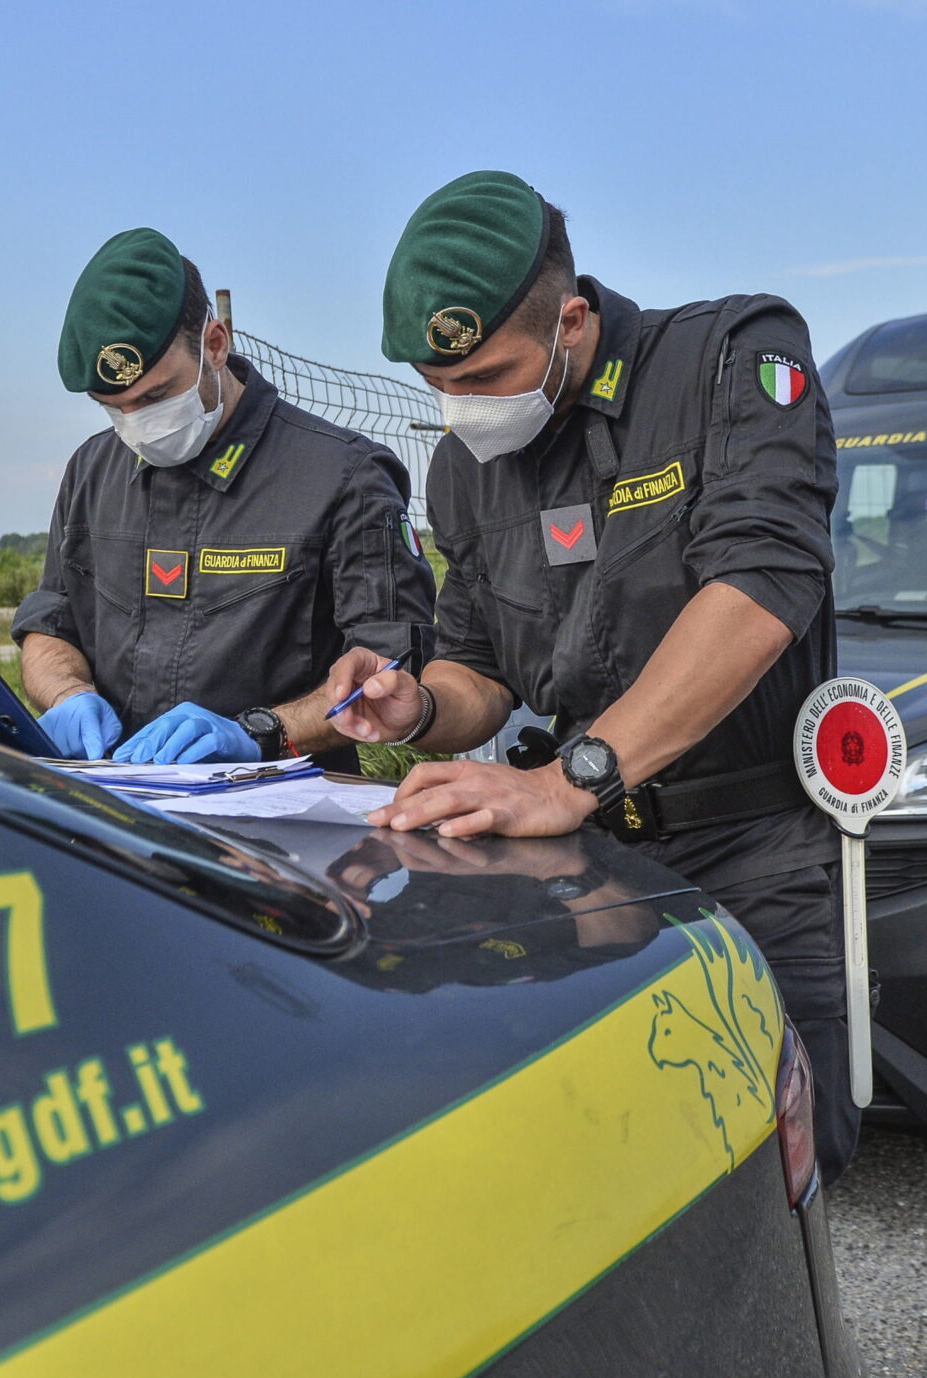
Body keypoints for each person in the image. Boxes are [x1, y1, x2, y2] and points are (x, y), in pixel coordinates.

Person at [326, 172, 858, 1178]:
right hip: (587, 875)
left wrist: (564, 780)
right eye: (438, 384)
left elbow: (762, 584)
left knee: (781, 1167)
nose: (460, 409)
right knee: (616, 1163)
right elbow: (477, 665)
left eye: (486, 375)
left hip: (749, 856)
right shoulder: (466, 468)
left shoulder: (728, 360)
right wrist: (419, 705)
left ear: (571, 320)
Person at [13, 229, 435, 768]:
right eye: (113, 407)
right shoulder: (93, 471)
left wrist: (263, 732)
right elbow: (50, 627)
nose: (139, 424)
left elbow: (389, 668)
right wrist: (68, 694)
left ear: (215, 344)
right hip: (122, 806)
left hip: (281, 817)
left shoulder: (343, 476)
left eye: (157, 396)